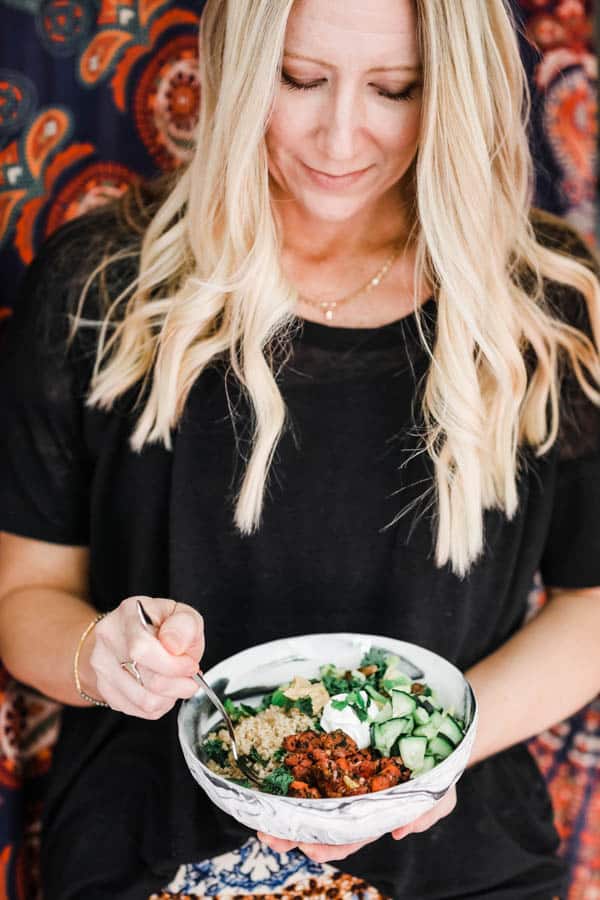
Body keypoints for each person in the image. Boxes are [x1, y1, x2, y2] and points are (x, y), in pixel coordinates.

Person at [0, 0, 599, 897]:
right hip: (150, 851)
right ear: (236, 67)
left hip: (460, 861)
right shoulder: (99, 287)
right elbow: (24, 595)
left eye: (399, 88)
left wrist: (440, 752)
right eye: (300, 79)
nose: (341, 134)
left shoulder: (543, 307)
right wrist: (98, 653)